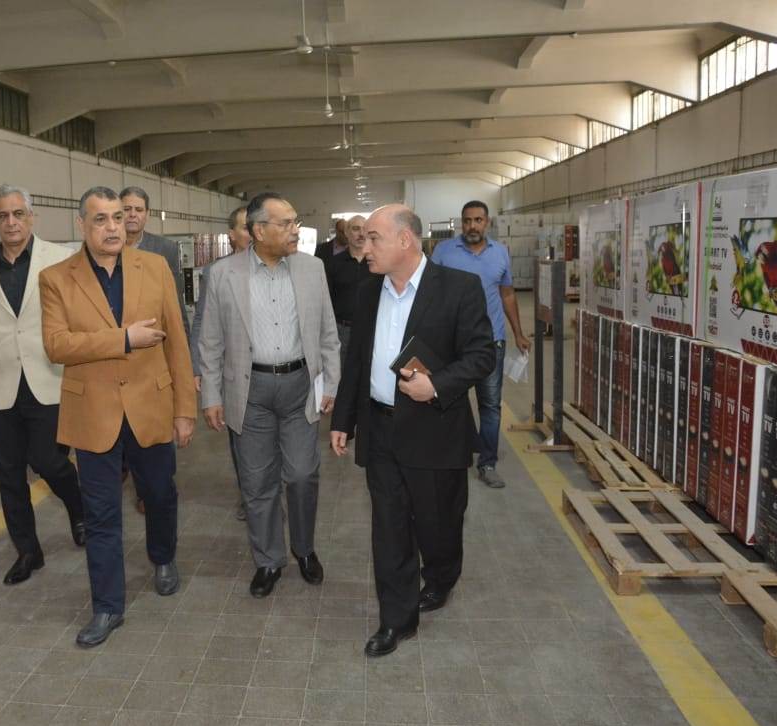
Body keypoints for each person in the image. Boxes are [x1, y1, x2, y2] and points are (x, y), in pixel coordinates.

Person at [330, 205, 494, 657]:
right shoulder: (368, 291)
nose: (364, 247)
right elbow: (357, 359)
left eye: (373, 238)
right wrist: (343, 420)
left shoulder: (459, 288)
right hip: (381, 430)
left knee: (439, 524)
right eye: (363, 238)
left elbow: (482, 356)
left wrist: (436, 385)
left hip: (435, 431)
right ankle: (396, 620)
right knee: (389, 529)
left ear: (405, 240)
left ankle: (441, 576)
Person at [40, 186, 197, 647]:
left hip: (151, 405)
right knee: (101, 514)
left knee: (159, 493)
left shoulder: (155, 267)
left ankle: (163, 556)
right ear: (81, 226)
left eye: (116, 217)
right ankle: (108, 607)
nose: (112, 227)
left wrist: (185, 409)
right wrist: (124, 339)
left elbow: (176, 341)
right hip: (93, 413)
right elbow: (57, 345)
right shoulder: (56, 279)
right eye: (101, 219)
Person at [199, 192, 341, 599]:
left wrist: (331, 382)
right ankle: (268, 560)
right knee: (258, 482)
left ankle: (304, 549)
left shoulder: (312, 269)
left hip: (299, 387)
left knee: (301, 474)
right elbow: (210, 341)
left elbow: (327, 330)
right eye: (287, 223)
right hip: (249, 391)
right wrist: (211, 395)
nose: (295, 230)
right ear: (259, 231)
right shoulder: (223, 274)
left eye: (296, 222)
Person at [0, 184, 85, 586]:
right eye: (3, 216)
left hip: (49, 379)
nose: (11, 222)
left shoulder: (59, 259)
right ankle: (28, 551)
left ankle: (79, 509)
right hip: (1, 384)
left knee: (48, 460)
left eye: (18, 214)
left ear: (31, 217)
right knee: (9, 474)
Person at [431, 200, 531, 489]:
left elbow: (507, 294)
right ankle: (451, 458)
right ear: (460, 223)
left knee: (490, 405)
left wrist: (518, 333)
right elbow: (430, 292)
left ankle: (487, 463)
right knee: (448, 401)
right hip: (452, 343)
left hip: (490, 342)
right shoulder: (444, 252)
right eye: (467, 220)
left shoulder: (500, 252)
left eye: (478, 220)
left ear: (487, 222)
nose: (472, 226)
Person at [120, 186, 191, 514]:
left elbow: (175, 308)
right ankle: (135, 478)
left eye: (138, 209)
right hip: (117, 355)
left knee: (156, 429)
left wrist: (186, 361)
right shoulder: (105, 247)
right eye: (127, 209)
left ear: (147, 215)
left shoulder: (164, 250)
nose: (132, 215)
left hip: (154, 355)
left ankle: (154, 489)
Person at [192, 205, 250, 521]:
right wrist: (198, 367)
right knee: (241, 438)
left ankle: (269, 492)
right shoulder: (216, 272)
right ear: (232, 235)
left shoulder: (283, 267)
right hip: (233, 371)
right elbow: (202, 321)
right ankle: (250, 495)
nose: (252, 233)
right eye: (244, 227)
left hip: (274, 372)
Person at [325, 214, 372, 361]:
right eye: (356, 229)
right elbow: (326, 299)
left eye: (365, 229)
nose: (361, 234)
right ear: (346, 232)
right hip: (342, 331)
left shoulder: (377, 263)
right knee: (341, 369)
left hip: (370, 329)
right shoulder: (333, 264)